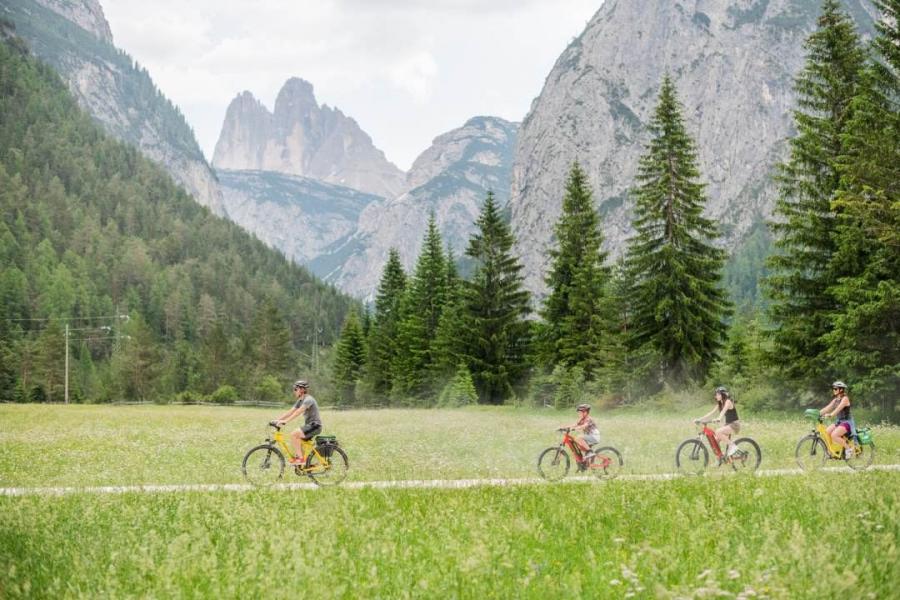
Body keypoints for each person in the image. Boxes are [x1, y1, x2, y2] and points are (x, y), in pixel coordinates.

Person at [274, 379, 322, 465]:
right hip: (310, 425)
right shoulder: (300, 400)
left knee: (294, 434)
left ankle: (300, 459)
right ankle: (305, 462)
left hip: (315, 426)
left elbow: (298, 412)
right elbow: (291, 411)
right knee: (298, 440)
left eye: (296, 389)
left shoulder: (308, 399)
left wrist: (285, 421)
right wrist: (278, 420)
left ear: (302, 390)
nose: (294, 391)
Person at [696, 386, 741, 457]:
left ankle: (733, 446)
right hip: (728, 425)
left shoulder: (728, 402)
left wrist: (719, 418)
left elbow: (723, 411)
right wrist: (700, 419)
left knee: (718, 432)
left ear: (722, 395)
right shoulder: (720, 403)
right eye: (716, 394)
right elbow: (711, 413)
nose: (716, 396)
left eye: (717, 394)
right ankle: (720, 459)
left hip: (734, 425)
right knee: (715, 442)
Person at [819, 381, 854, 458]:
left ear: (841, 390)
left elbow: (838, 409)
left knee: (834, 435)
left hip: (847, 423)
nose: (833, 390)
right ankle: (831, 451)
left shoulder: (845, 399)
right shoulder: (836, 400)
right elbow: (827, 408)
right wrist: (817, 413)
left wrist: (831, 414)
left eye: (835, 389)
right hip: (839, 422)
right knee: (826, 432)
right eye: (833, 389)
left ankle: (848, 449)